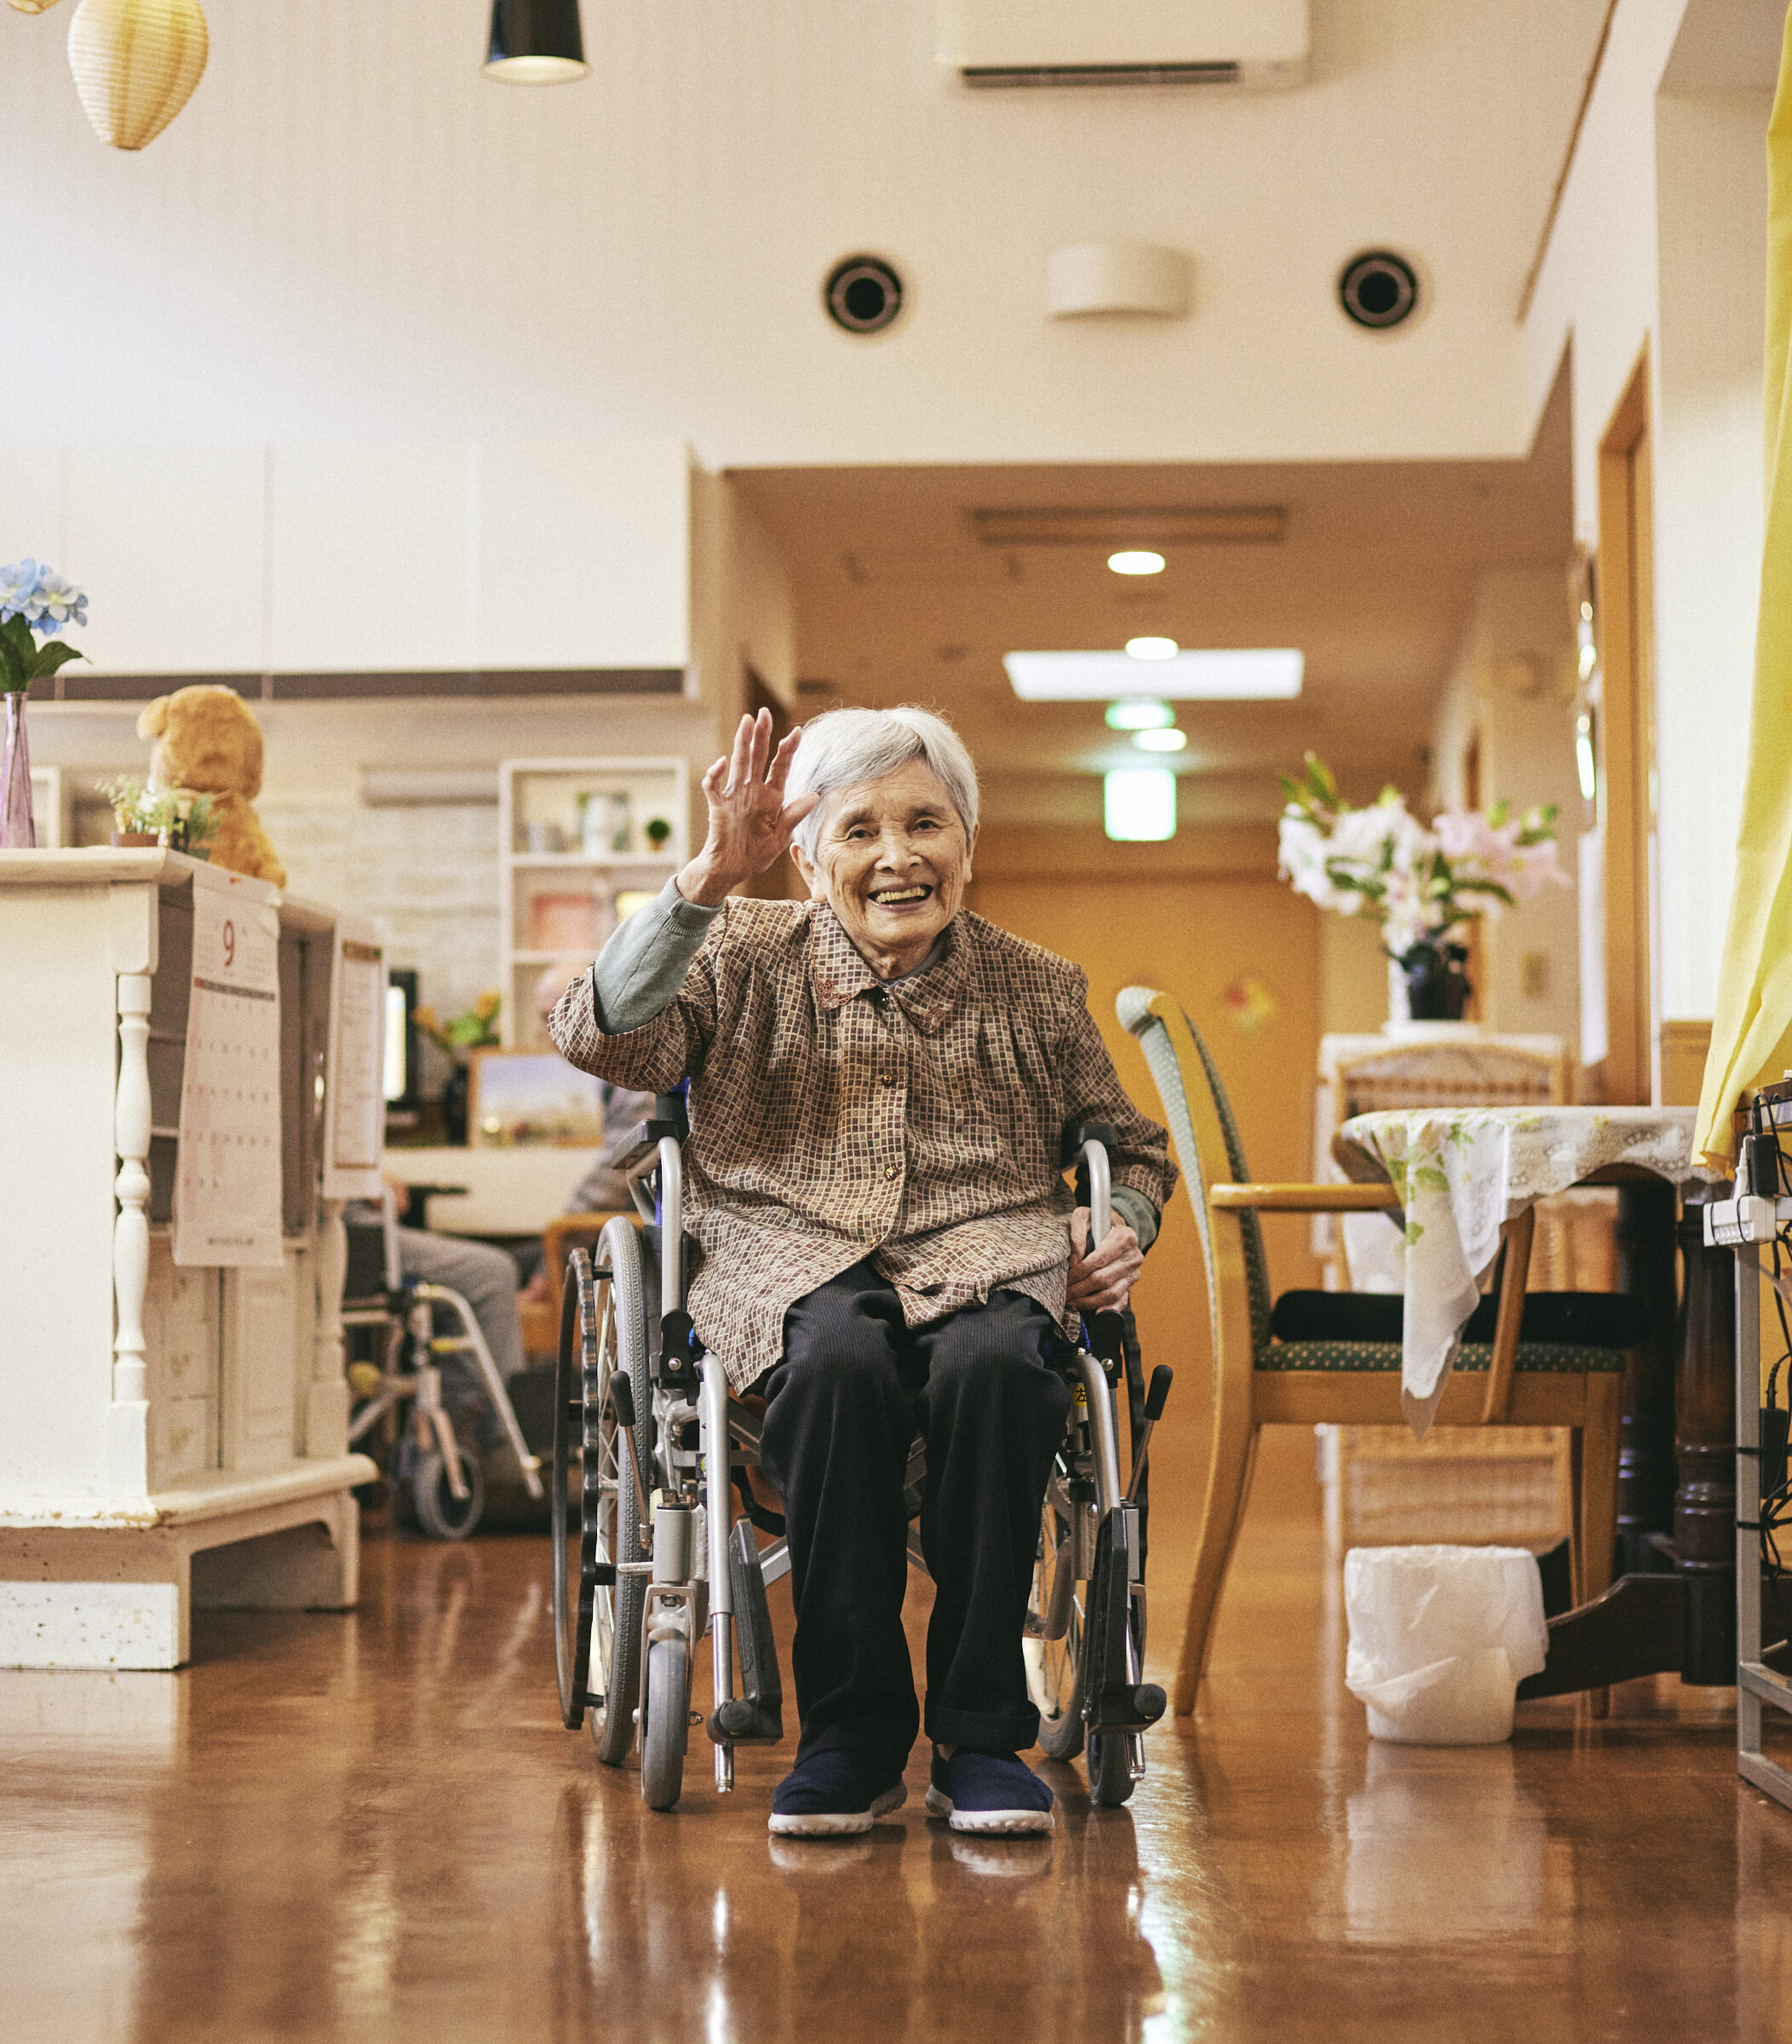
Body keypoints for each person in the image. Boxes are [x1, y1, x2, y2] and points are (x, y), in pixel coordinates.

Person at [548, 705, 1175, 1839]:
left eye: (926, 823)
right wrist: (708, 878)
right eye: (860, 830)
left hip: (987, 1251)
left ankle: (981, 1740)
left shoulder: (1035, 986)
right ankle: (848, 1737)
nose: (898, 857)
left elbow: (1130, 1147)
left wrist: (1116, 1219)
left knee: (1002, 1366)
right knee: (838, 1359)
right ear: (807, 857)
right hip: (781, 1254)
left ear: (968, 844)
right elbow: (597, 1034)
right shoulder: (739, 952)